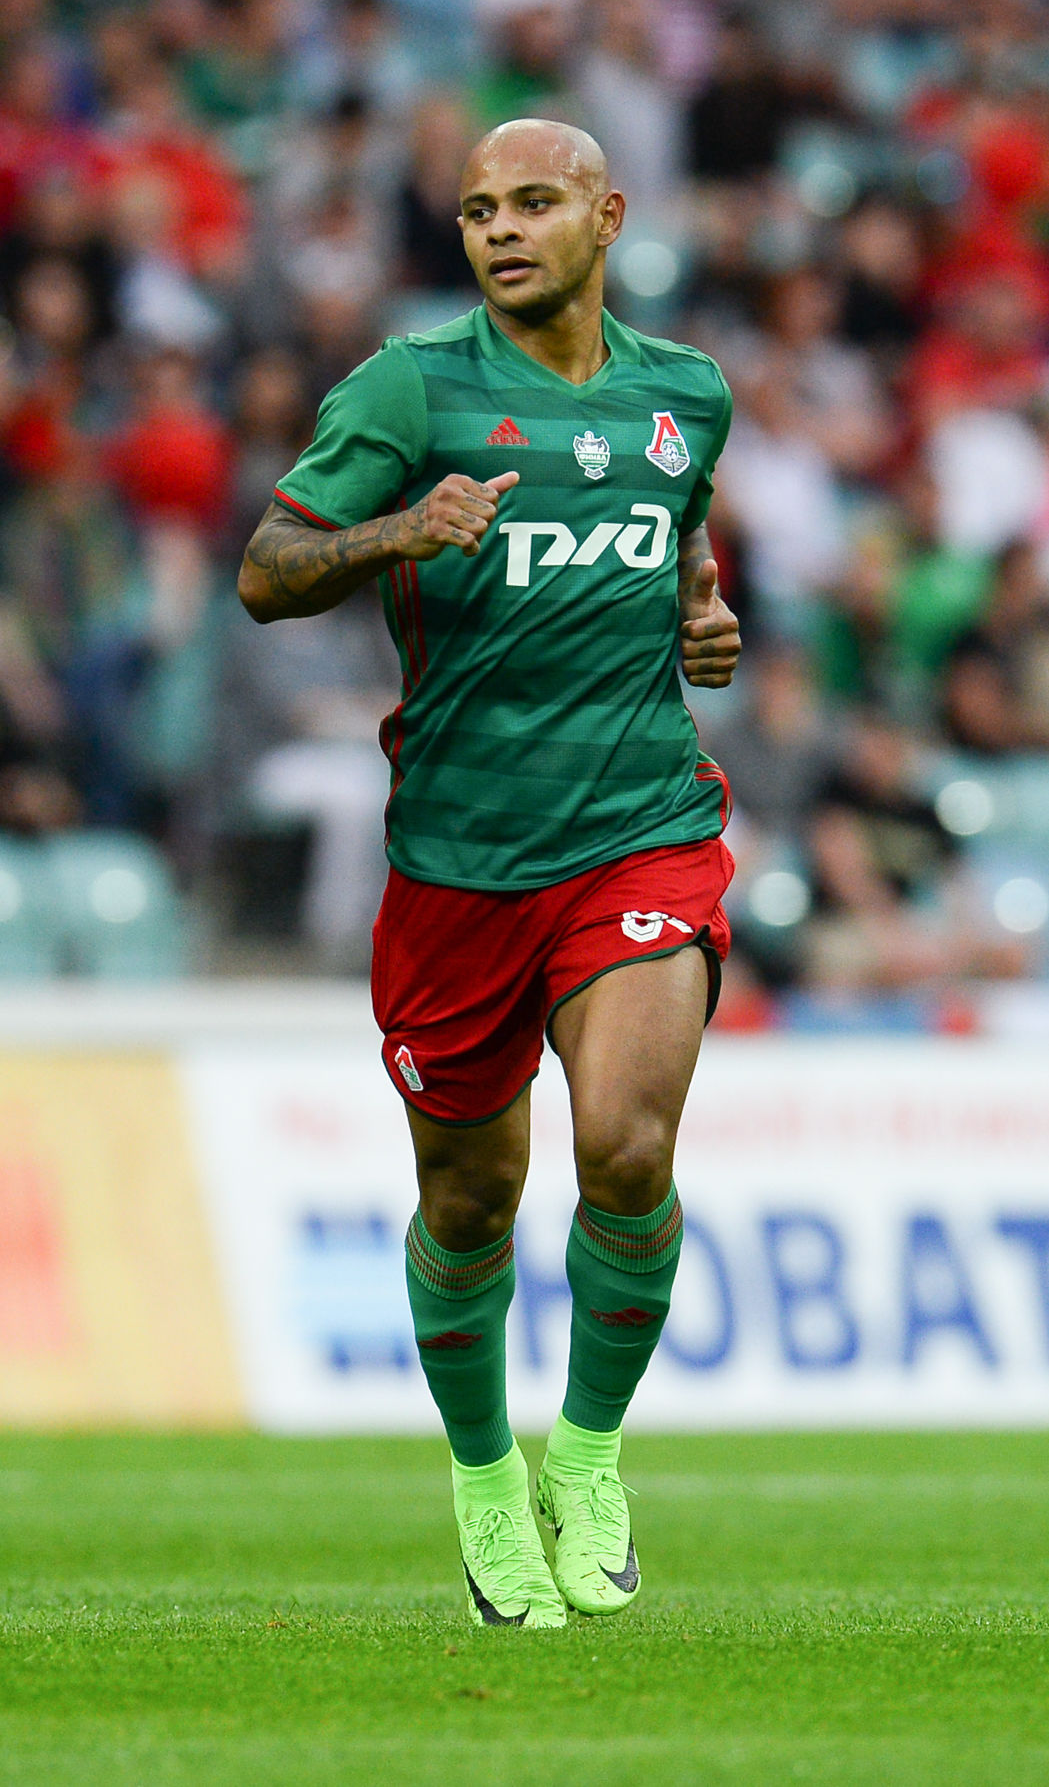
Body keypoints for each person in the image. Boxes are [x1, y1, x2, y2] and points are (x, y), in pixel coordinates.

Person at [238, 119, 740, 1630]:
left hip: (639, 827)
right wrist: (402, 529)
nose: (501, 230)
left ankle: (585, 1456)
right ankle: (482, 1475)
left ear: (608, 215)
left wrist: (702, 614)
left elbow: (680, 539)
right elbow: (265, 570)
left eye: (532, 203)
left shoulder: (688, 394)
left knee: (628, 1149)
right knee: (470, 1199)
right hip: (459, 860)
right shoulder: (410, 388)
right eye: (475, 211)